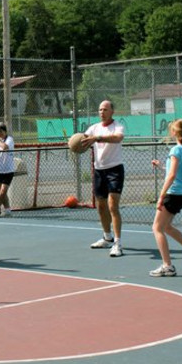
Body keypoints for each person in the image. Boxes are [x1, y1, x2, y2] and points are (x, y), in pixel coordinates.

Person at [148, 119, 182, 277]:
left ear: (174, 132)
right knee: (166, 227)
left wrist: (161, 196)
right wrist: (161, 165)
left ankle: (168, 266)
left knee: (157, 228)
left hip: (173, 194)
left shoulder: (175, 150)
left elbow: (172, 175)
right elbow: (176, 171)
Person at [79, 100, 126, 258]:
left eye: (105, 109)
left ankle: (118, 243)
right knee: (101, 207)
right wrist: (76, 142)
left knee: (113, 206)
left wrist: (97, 138)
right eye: (100, 109)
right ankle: (107, 237)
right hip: (99, 171)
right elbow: (82, 139)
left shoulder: (117, 126)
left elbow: (118, 138)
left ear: (112, 111)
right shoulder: (93, 128)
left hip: (114, 170)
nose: (102, 112)